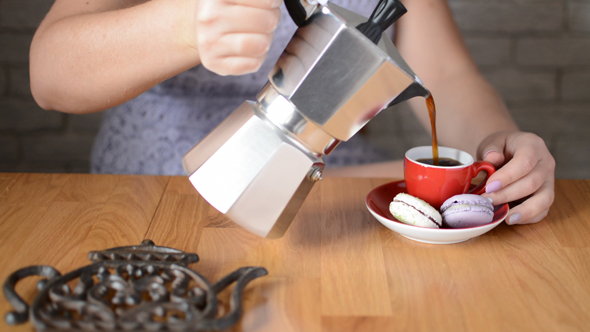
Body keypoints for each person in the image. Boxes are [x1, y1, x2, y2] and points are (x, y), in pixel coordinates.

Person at [29, 0, 555, 226]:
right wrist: (182, 26)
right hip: (156, 194)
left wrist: (498, 143)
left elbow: (447, 77)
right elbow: (49, 74)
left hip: (324, 185)